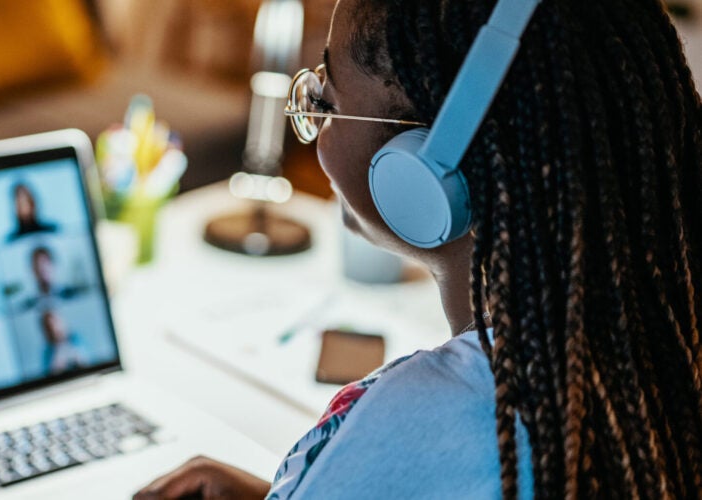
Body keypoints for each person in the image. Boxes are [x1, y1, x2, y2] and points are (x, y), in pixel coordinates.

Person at [135, 0, 702, 498]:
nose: (314, 129)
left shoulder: (426, 417)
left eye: (325, 102)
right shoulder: (651, 364)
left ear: (429, 166)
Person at [40, 310, 86, 375]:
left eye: (55, 323)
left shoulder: (75, 338)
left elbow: (86, 361)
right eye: (49, 327)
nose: (54, 329)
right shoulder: (47, 352)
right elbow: (47, 375)